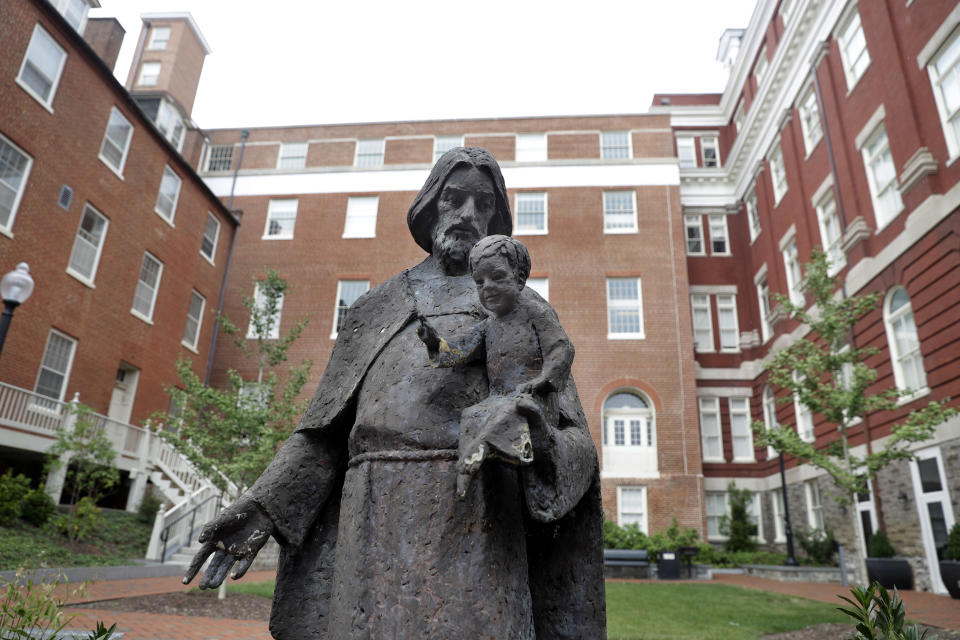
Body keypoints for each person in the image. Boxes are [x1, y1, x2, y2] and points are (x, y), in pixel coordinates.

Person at [183, 147, 606, 640]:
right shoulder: (374, 307)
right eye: (454, 198)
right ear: (431, 205)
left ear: (497, 218)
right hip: (372, 518)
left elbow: (573, 439)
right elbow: (323, 436)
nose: (468, 214)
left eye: (483, 204)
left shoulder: (519, 307)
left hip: (478, 522)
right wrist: (263, 508)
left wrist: (539, 442)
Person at [417, 234, 575, 498]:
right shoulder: (490, 325)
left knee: (513, 411)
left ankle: (507, 450)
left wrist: (543, 380)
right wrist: (435, 342)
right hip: (497, 398)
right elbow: (461, 349)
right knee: (474, 414)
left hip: (533, 398)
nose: (487, 287)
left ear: (520, 279)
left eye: (497, 277)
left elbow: (561, 349)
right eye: (479, 282)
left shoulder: (536, 312)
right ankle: (471, 466)